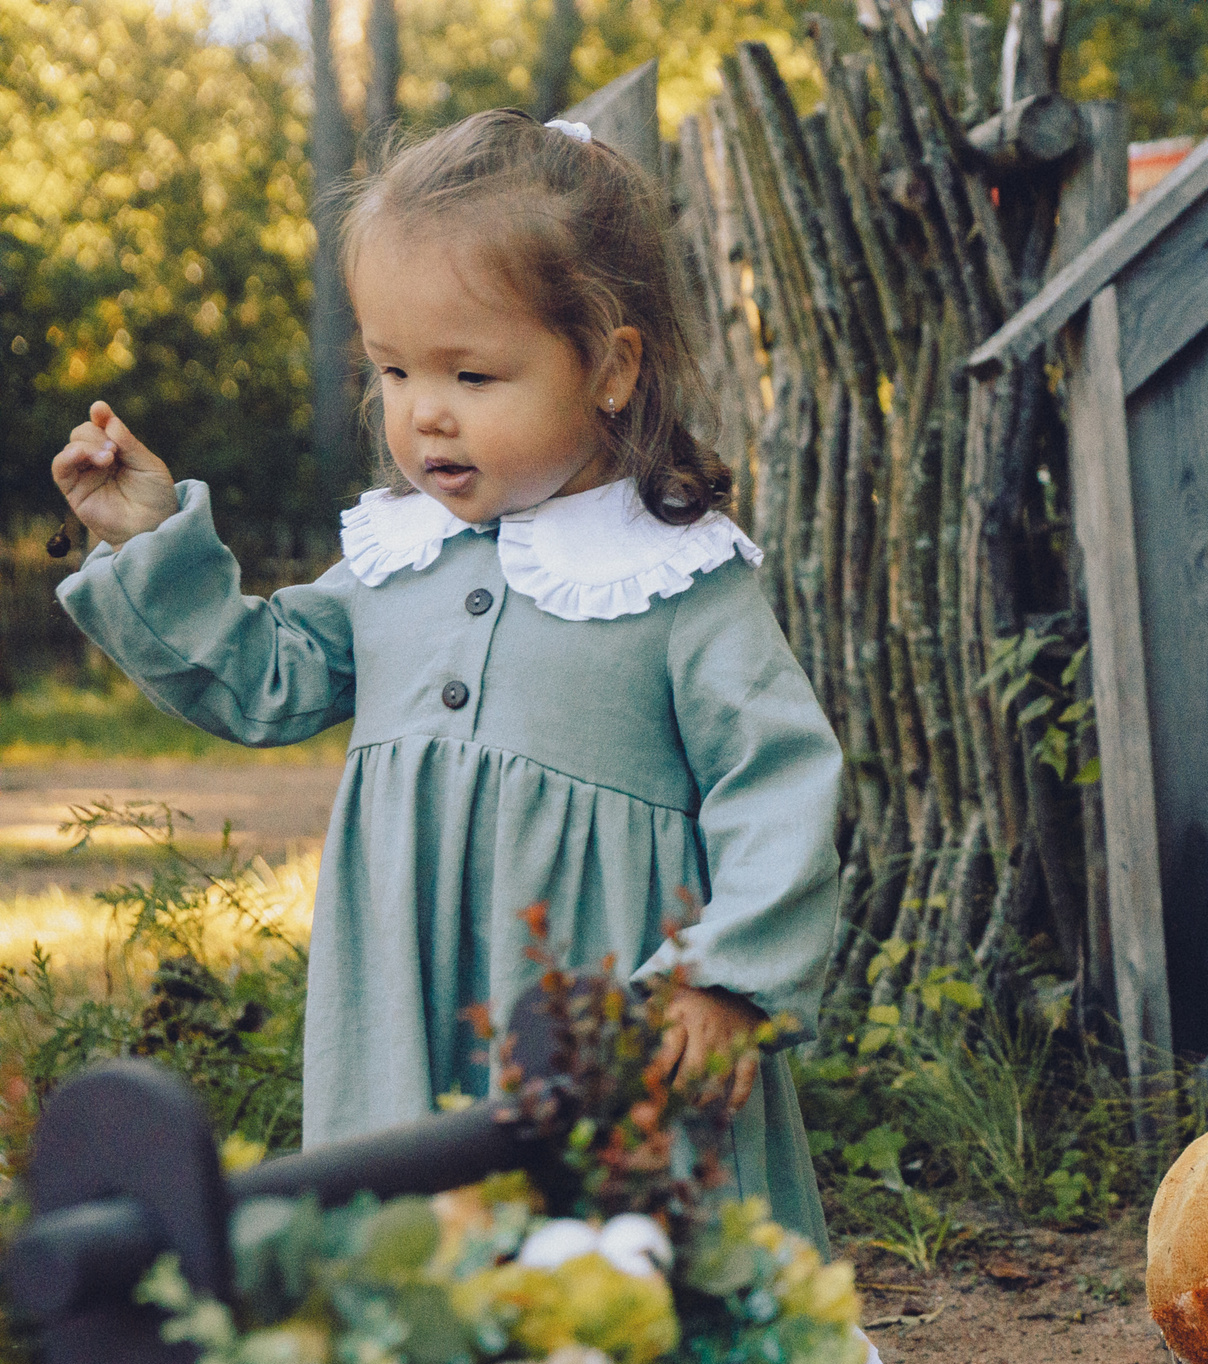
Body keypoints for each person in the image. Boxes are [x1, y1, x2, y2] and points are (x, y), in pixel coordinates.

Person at [49, 109, 841, 1247]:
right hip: (406, 1014)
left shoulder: (678, 583)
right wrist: (146, 538)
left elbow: (781, 787)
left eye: (472, 372)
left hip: (603, 1026)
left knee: (622, 1289)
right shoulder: (396, 559)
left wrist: (722, 980)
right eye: (394, 368)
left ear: (611, 367)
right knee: (423, 1283)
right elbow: (263, 678)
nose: (423, 411)